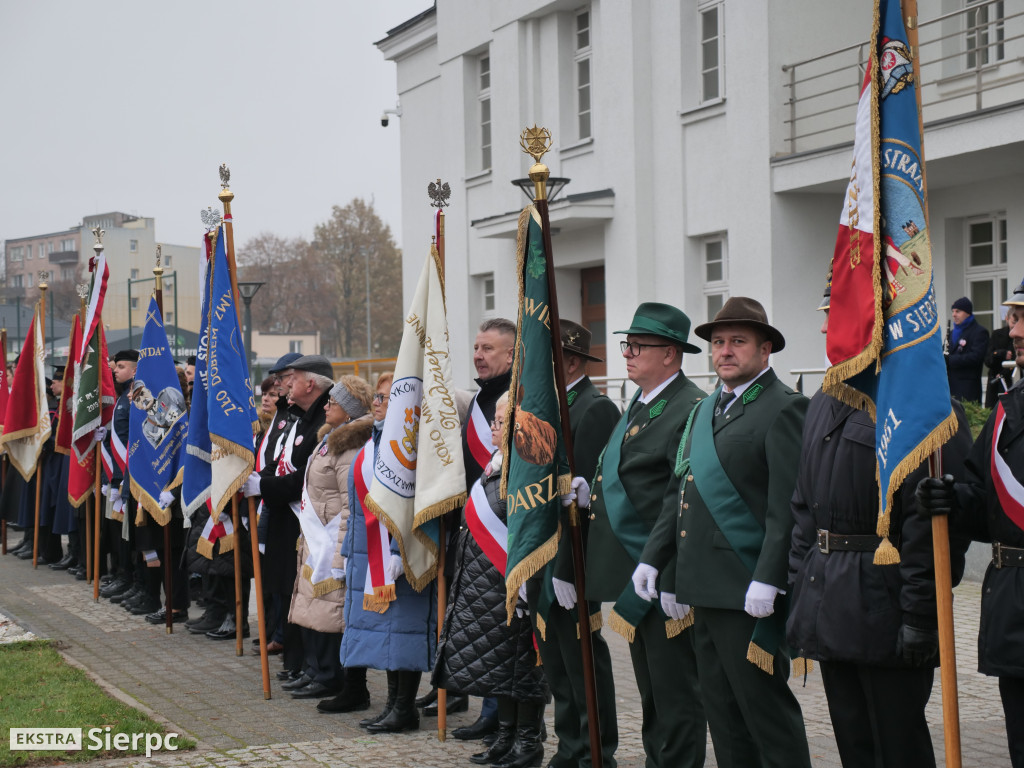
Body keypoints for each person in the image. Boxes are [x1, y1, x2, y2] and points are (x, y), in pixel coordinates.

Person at [787, 282, 973, 768]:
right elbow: (804, 507)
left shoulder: (920, 403)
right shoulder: (827, 396)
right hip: (830, 600)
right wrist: (799, 586)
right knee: (855, 744)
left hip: (887, 606)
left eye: (836, 313)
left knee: (898, 747)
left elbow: (931, 522)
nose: (826, 325)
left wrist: (919, 615)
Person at [636, 296, 811, 768]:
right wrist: (655, 558)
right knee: (725, 720)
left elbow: (787, 507)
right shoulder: (706, 409)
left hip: (748, 588)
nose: (725, 351)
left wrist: (770, 576)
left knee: (766, 715)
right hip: (703, 588)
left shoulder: (785, 408)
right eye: (718, 343)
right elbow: (679, 491)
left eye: (738, 341)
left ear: (765, 350)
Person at [584, 302, 708, 768]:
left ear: (671, 355)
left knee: (676, 693)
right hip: (639, 571)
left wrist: (671, 571)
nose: (628, 353)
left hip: (665, 574)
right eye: (627, 344)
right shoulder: (643, 401)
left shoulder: (690, 406)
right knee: (652, 688)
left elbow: (681, 499)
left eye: (639, 346)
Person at [917, 292, 1024, 768]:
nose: (1014, 331)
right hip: (1012, 605)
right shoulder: (1010, 408)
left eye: (1021, 320)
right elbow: (988, 505)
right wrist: (953, 500)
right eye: (1014, 319)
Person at [433, 390, 550, 768]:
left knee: (522, 666)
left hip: (510, 583)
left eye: (501, 422)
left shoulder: (528, 467)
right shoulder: (499, 461)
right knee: (502, 666)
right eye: (496, 421)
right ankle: (505, 737)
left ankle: (528, 743)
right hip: (486, 584)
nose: (493, 428)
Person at [528, 320, 619, 768]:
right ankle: (568, 747)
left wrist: (567, 564)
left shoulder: (594, 408)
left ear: (574, 362)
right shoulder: (548, 406)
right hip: (543, 553)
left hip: (572, 560)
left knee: (584, 661)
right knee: (558, 664)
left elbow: (582, 502)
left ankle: (595, 751)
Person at [422, 318, 516, 737]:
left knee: (498, 625)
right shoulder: (478, 400)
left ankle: (496, 710)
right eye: (476, 347)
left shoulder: (518, 399)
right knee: (468, 617)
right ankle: (459, 686)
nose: (478, 355)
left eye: (488, 349)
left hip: (500, 531)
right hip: (466, 527)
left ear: (512, 355)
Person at [331, 371, 438, 731]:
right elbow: (360, 507)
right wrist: (349, 551)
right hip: (368, 554)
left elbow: (414, 504)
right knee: (386, 631)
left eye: (385, 398)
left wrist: (397, 549)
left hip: (401, 554)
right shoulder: (372, 442)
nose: (377, 404)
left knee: (402, 628)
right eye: (376, 397)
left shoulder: (413, 446)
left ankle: (404, 708)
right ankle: (393, 704)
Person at [243, 354, 335, 691]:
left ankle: (313, 667)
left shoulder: (321, 419)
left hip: (308, 519)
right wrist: (262, 480)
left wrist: (264, 486)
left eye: (291, 379)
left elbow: (306, 476)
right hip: (287, 515)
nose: (285, 387)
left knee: (309, 593)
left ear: (309, 383)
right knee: (290, 590)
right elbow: (279, 459)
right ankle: (300, 664)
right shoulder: (297, 416)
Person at [286, 374, 374, 700]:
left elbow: (351, 505)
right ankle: (315, 669)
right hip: (315, 537)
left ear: (348, 411)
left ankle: (329, 675)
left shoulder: (349, 447)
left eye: (333, 402)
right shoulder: (330, 438)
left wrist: (340, 554)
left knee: (330, 613)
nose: (326, 406)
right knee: (313, 608)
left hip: (331, 541)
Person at [945, 296, 989, 403]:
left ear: (967, 313)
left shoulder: (979, 332)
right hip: (951, 387)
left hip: (968, 389)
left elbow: (976, 357)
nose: (954, 315)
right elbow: (945, 354)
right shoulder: (951, 334)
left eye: (958, 311)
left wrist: (949, 360)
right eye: (953, 311)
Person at [986, 307, 1017, 408]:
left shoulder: (1020, 336)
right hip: (995, 382)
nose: (1015, 327)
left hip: (1012, 382)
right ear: (1007, 319)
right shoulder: (997, 334)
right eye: (1014, 322)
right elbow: (988, 360)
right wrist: (1001, 353)